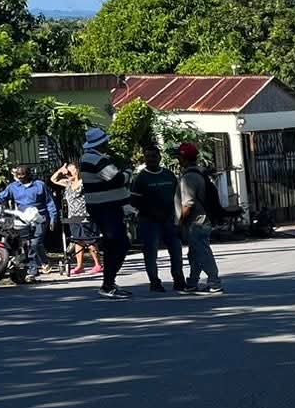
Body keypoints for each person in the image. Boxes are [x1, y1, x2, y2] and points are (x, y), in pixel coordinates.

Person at [78, 126, 133, 297]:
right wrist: (129, 171)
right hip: (106, 208)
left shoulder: (91, 158)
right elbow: (117, 179)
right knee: (119, 244)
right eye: (106, 141)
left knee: (115, 244)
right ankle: (108, 283)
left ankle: (109, 282)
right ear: (101, 143)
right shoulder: (96, 160)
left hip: (104, 207)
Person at [129, 142, 187, 293]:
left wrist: (179, 218)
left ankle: (179, 280)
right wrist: (150, 211)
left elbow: (178, 197)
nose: (151, 159)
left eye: (154, 156)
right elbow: (134, 201)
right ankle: (154, 282)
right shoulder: (140, 178)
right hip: (149, 222)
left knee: (176, 251)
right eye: (148, 157)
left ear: (159, 157)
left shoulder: (168, 175)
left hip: (170, 220)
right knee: (150, 253)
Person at [0, 163, 54, 281]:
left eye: (23, 175)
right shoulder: (13, 187)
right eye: (18, 175)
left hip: (40, 218)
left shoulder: (40, 185)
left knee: (35, 243)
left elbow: (50, 202)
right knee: (26, 244)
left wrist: (53, 218)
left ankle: (41, 264)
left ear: (29, 174)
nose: (20, 177)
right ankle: (33, 269)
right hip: (23, 218)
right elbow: (1, 197)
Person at [175, 142, 223, 294]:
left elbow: (187, 204)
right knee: (195, 253)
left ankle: (214, 282)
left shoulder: (188, 177)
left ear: (183, 158)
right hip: (204, 219)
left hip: (195, 221)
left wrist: (180, 222)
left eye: (179, 156)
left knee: (202, 252)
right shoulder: (201, 173)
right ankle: (192, 282)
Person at [51, 158, 99, 279]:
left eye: (71, 171)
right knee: (77, 240)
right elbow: (53, 179)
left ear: (77, 171)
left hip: (85, 215)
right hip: (73, 216)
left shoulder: (84, 183)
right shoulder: (68, 183)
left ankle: (98, 264)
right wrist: (60, 170)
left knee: (90, 240)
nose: (69, 174)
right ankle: (79, 266)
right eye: (68, 172)